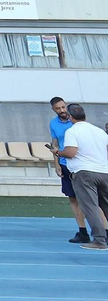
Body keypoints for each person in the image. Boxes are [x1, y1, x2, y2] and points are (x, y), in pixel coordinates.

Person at [55, 102, 108, 250]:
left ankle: (99, 240)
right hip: (104, 171)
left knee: (90, 207)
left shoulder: (72, 132)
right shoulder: (99, 131)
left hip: (85, 173)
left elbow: (71, 152)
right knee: (105, 206)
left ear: (70, 117)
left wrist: (58, 152)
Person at [49, 96, 94, 243]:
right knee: (73, 198)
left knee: (91, 199)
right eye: (58, 108)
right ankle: (82, 231)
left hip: (81, 163)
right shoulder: (53, 124)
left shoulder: (76, 121)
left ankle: (101, 229)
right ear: (53, 110)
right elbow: (54, 145)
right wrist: (56, 164)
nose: (62, 110)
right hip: (65, 163)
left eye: (63, 107)